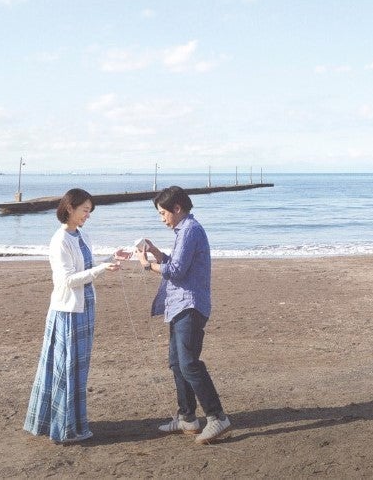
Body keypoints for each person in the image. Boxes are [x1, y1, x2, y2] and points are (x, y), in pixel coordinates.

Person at [24, 188, 123, 444]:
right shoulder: (60, 240)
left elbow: (87, 268)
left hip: (85, 306)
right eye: (84, 210)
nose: (87, 215)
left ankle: (72, 421)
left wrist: (111, 258)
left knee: (78, 368)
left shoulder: (82, 235)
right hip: (67, 310)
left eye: (90, 211)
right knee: (65, 368)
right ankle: (63, 427)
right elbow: (67, 280)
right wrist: (102, 269)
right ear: (70, 208)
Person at [136, 185, 232, 444]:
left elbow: (176, 271)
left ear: (177, 208)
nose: (161, 218)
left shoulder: (190, 230)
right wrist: (157, 254)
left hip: (190, 305)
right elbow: (178, 263)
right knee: (177, 363)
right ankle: (188, 417)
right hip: (179, 305)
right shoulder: (185, 230)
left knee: (189, 363)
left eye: (162, 213)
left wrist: (147, 265)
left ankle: (217, 417)